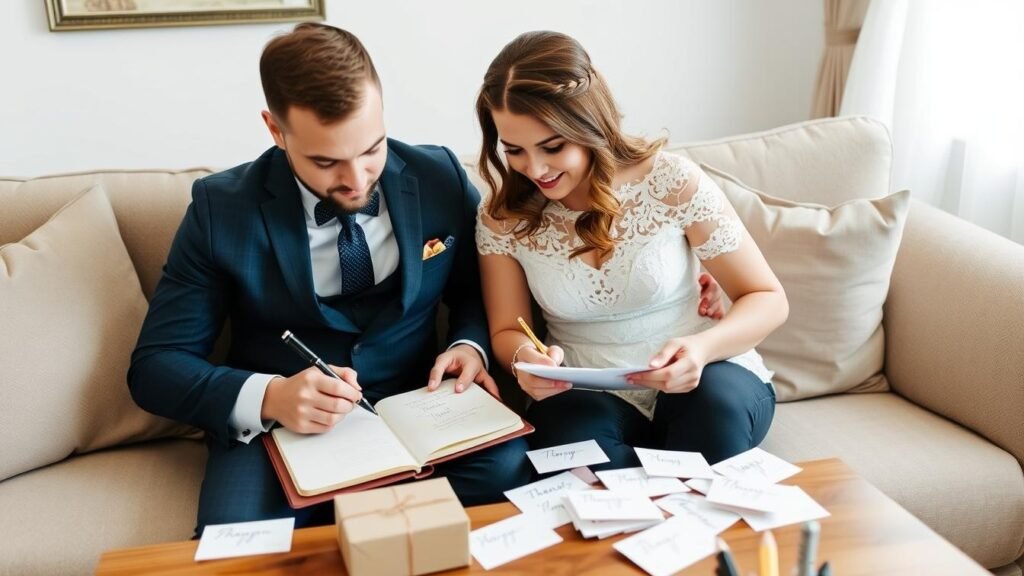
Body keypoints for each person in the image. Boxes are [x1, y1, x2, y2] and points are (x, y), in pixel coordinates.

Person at [128, 23, 532, 536]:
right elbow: (157, 366)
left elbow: (477, 290)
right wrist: (271, 397)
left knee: (512, 485)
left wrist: (468, 345)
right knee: (236, 544)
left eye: (372, 149)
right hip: (280, 432)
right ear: (275, 130)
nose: (358, 180)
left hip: (421, 412)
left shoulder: (439, 176)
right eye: (327, 161)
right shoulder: (221, 210)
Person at [474, 31, 788, 468]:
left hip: (706, 377)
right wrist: (524, 360)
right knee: (571, 450)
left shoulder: (671, 182)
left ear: (589, 124)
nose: (536, 168)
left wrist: (702, 349)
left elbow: (767, 298)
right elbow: (508, 329)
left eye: (552, 147)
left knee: (712, 417)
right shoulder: (502, 218)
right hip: (584, 392)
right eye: (514, 151)